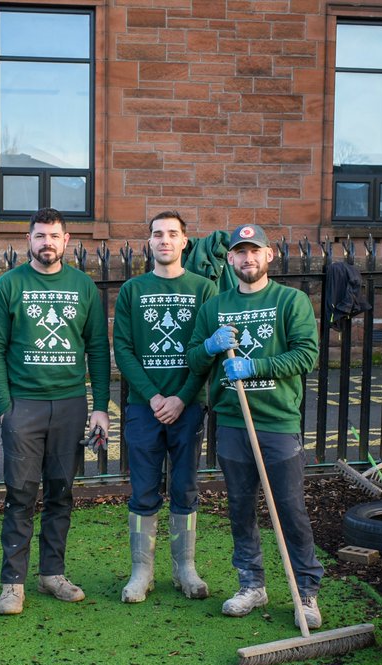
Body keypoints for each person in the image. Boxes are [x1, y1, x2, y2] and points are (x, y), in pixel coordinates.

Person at [187, 224, 325, 628]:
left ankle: (306, 592)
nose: (247, 258)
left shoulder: (290, 300)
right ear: (229, 259)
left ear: (269, 256)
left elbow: (306, 355)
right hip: (232, 422)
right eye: (239, 252)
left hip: (278, 423)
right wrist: (210, 346)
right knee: (240, 508)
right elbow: (195, 359)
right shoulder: (215, 305)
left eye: (255, 251)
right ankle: (252, 584)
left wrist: (256, 366)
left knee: (289, 510)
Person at [0, 207, 111, 615]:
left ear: (67, 240)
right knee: (20, 492)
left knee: (61, 491)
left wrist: (100, 407)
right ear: (29, 240)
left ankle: (52, 573)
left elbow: (97, 350)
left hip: (71, 404)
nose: (47, 243)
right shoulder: (9, 285)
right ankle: (12, 582)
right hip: (25, 406)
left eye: (54, 236)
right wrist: (5, 407)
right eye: (40, 236)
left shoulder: (83, 287)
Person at [114, 210, 218, 603]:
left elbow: (207, 353)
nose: (164, 240)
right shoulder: (133, 290)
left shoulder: (204, 289)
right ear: (150, 242)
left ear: (184, 241)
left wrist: (182, 397)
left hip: (188, 405)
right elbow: (122, 349)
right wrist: (155, 396)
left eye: (172, 234)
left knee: (186, 486)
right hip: (145, 406)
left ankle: (184, 568)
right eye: (157, 234)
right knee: (143, 489)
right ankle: (142, 571)